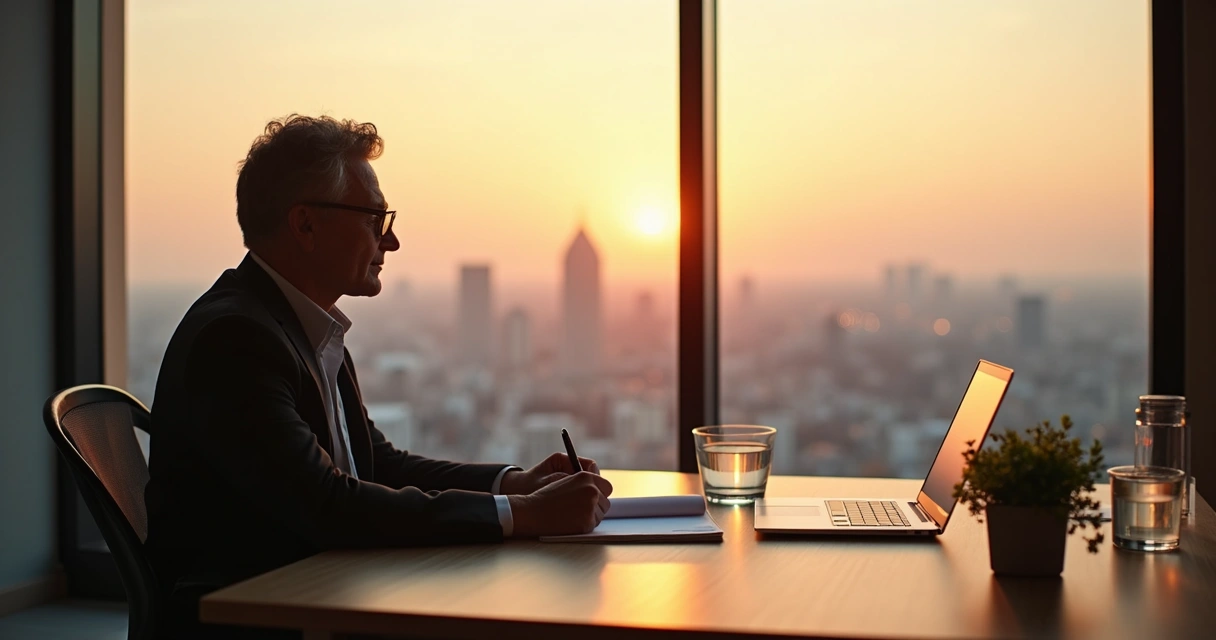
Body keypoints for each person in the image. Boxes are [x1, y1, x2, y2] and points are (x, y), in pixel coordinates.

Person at [143, 114, 614, 639]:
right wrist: (522, 514)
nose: (392, 242)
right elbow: (326, 504)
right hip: (253, 619)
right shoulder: (236, 340)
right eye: (375, 220)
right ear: (305, 225)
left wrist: (512, 484)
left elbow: (376, 463)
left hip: (313, 593)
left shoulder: (300, 326)